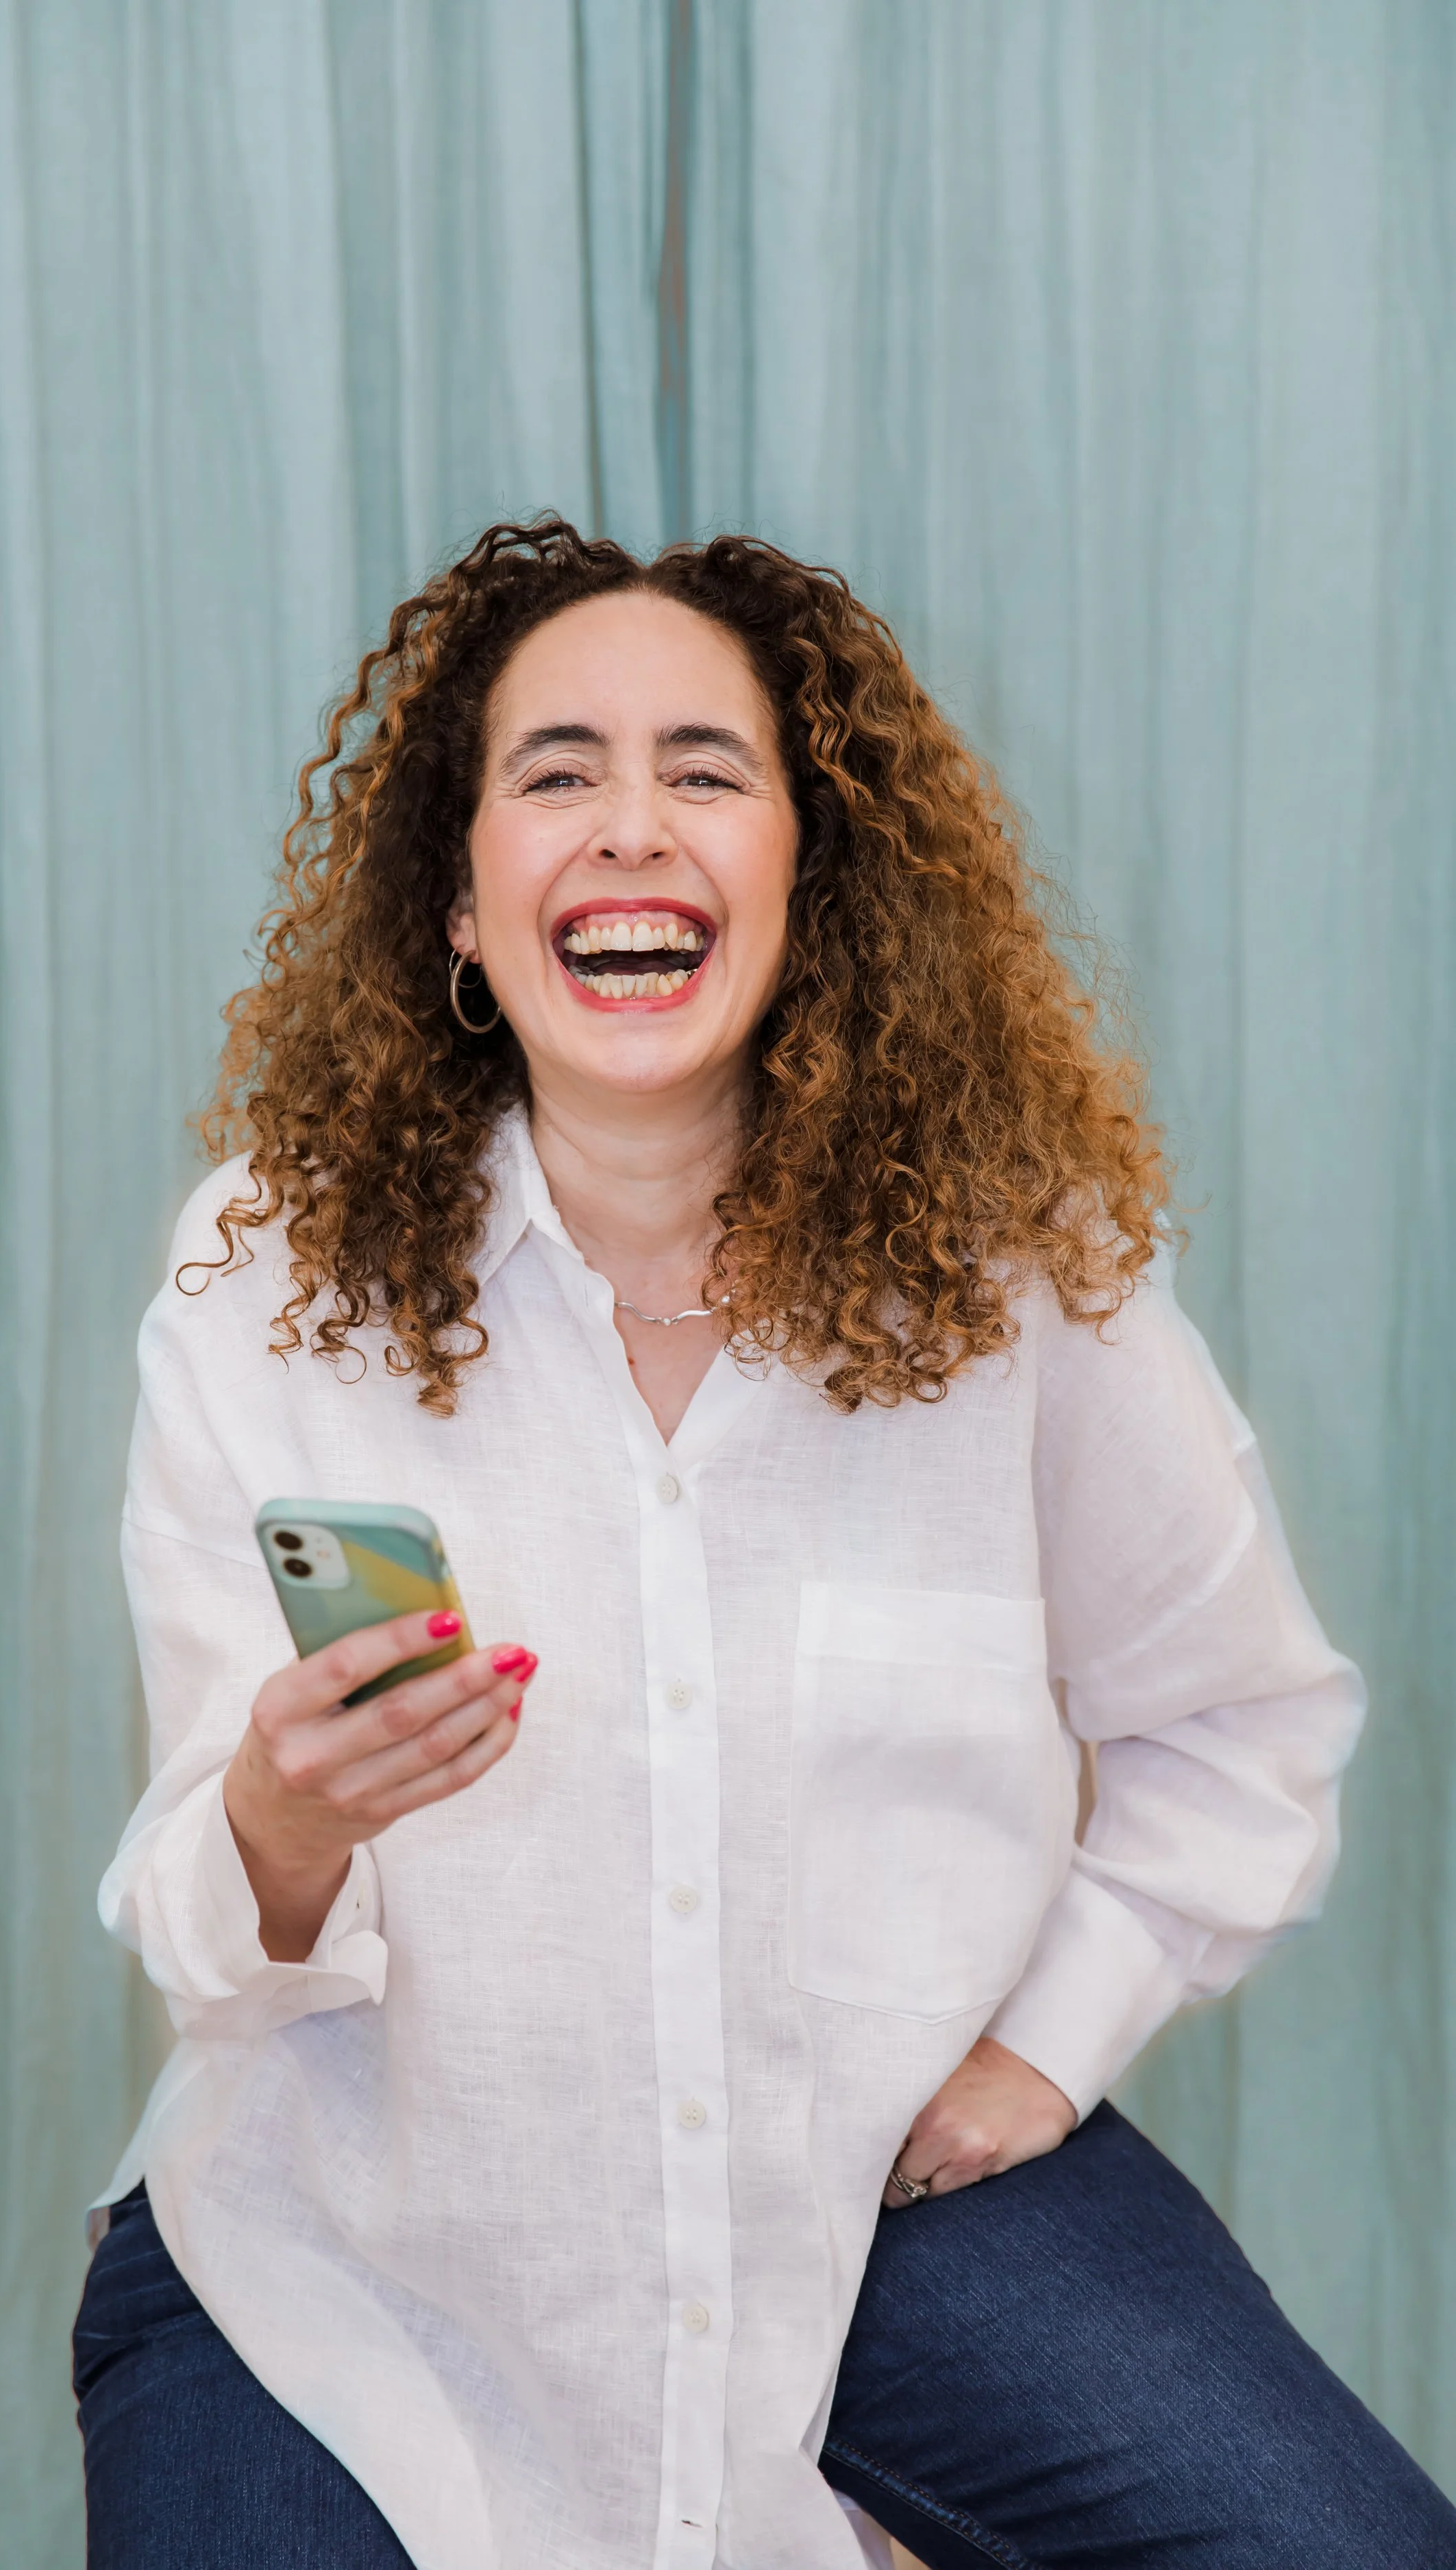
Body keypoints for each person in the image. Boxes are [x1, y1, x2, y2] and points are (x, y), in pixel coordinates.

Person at [74, 519, 1455, 2570]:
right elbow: (203, 1926)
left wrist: (1042, 2052)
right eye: (556, 770)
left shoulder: (1020, 1278)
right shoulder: (264, 1276)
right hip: (356, 2244)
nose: (631, 824)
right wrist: (284, 1815)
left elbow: (1240, 1721)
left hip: (878, 2203)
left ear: (815, 885)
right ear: (457, 903)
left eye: (705, 770)